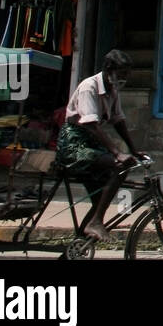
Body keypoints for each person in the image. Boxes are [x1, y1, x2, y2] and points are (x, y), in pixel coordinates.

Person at [55, 49, 144, 241]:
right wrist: (117, 152)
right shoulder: (89, 86)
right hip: (74, 145)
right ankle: (95, 223)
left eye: (126, 73)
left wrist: (133, 149)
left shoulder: (112, 88)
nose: (124, 77)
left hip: (91, 144)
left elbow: (118, 121)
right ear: (109, 69)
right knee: (120, 166)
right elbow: (91, 125)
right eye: (122, 73)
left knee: (101, 198)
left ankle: (82, 238)